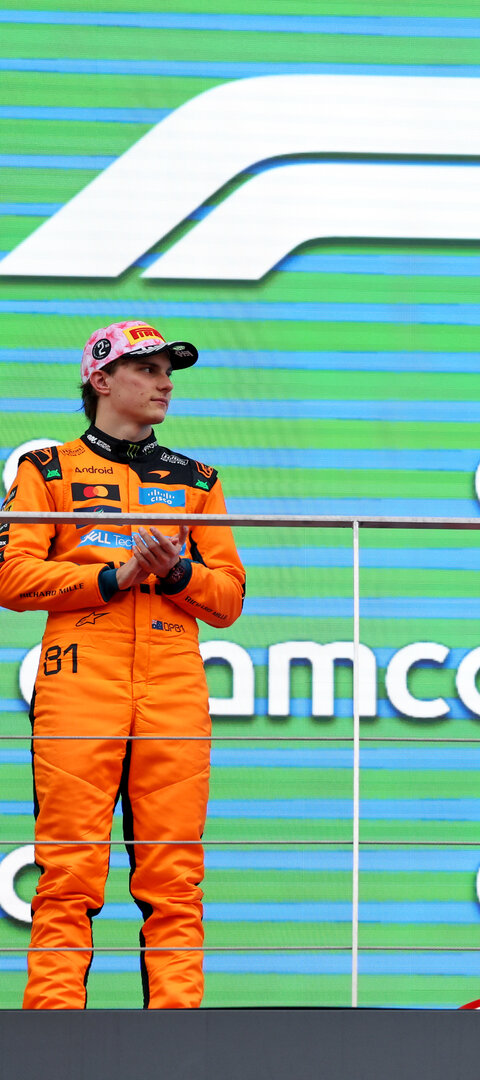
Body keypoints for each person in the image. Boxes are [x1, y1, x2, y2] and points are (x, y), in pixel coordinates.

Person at [0, 321, 246, 1008]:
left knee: (175, 876)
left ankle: (177, 1034)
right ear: (100, 380)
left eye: (170, 369)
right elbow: (11, 575)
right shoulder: (45, 469)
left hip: (173, 682)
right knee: (69, 871)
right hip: (80, 676)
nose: (165, 381)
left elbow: (228, 598)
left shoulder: (198, 481)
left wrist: (172, 576)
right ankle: (49, 1036)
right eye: (147, 369)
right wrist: (115, 575)